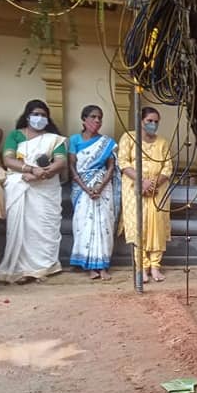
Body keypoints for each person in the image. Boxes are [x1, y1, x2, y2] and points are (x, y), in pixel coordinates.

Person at [0, 99, 67, 283]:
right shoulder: (16, 135)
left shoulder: (54, 139)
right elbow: (8, 160)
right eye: (36, 114)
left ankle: (43, 267)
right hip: (20, 184)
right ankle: (20, 268)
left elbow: (60, 162)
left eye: (43, 115)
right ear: (27, 116)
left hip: (46, 186)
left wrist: (40, 174)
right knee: (21, 228)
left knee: (43, 227)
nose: (40, 118)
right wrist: (30, 169)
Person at [118, 106, 173, 283]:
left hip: (158, 191)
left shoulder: (163, 142)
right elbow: (123, 162)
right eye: (149, 121)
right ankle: (141, 267)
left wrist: (154, 183)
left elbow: (168, 167)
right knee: (137, 226)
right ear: (141, 121)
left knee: (157, 226)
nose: (153, 124)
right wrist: (142, 181)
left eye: (156, 121)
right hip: (135, 189)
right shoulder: (128, 137)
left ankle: (155, 266)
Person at [68, 105, 119, 280]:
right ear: (83, 119)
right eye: (93, 117)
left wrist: (99, 186)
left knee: (104, 224)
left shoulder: (107, 142)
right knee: (84, 225)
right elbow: (72, 167)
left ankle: (103, 265)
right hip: (82, 189)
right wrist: (86, 187)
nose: (97, 121)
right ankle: (89, 265)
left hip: (102, 188)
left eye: (100, 117)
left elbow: (111, 167)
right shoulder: (74, 140)